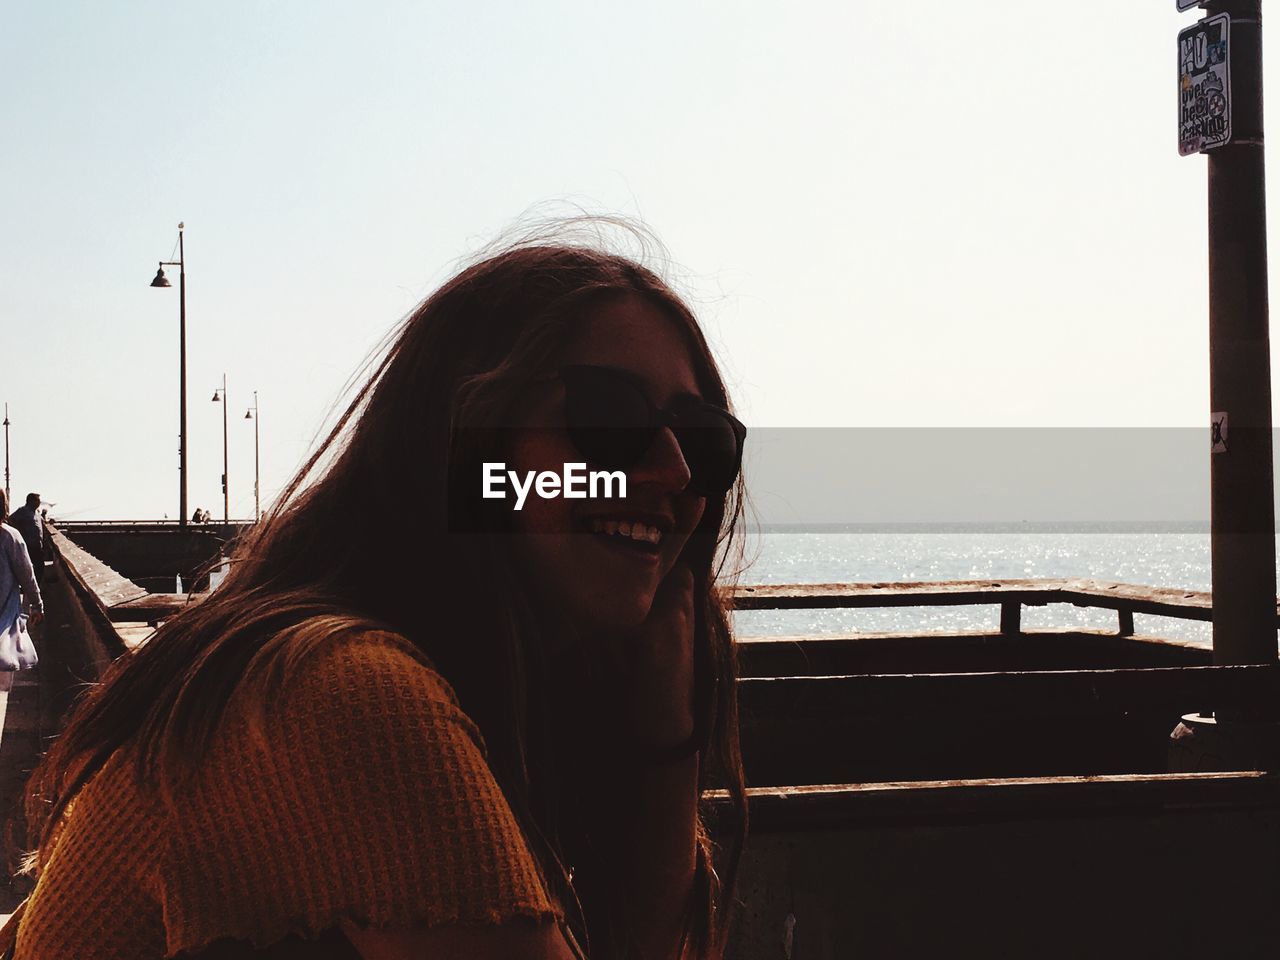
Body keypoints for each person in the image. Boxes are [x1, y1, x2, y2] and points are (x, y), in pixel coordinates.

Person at [10, 234, 749, 960]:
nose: (675, 469)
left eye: (702, 439)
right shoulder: (341, 690)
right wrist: (665, 749)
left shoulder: (449, 687)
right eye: (609, 419)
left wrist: (664, 731)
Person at [0, 491, 44, 638]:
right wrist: (37, 605)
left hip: (35, 549)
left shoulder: (35, 515)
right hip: (5, 621)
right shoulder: (9, 536)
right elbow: (26, 574)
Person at [6, 494, 45, 586]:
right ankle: (28, 587)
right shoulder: (23, 511)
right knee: (28, 567)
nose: (39, 503)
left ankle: (35, 587)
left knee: (39, 568)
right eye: (37, 501)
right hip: (28, 544)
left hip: (37, 545)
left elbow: (41, 522)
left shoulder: (36, 512)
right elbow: (10, 519)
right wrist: (19, 531)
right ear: (31, 501)